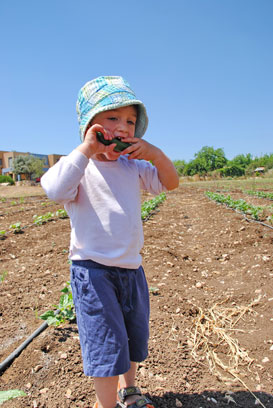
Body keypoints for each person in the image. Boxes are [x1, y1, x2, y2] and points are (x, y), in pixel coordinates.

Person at [41, 76, 179, 408]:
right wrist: (87, 149)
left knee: (133, 337)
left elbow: (170, 182)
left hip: (132, 269)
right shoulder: (80, 168)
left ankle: (129, 389)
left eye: (130, 121)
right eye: (112, 118)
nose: (123, 127)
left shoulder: (133, 166)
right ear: (90, 126)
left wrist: (156, 154)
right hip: (93, 272)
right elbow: (54, 190)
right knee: (105, 345)